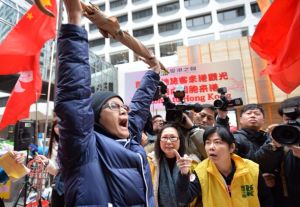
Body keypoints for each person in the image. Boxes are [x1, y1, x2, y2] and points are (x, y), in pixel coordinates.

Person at [55, 0, 160, 206]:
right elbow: (74, 96)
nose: (123, 110)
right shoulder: (85, 147)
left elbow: (139, 106)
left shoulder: (131, 140)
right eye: (113, 106)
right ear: (95, 116)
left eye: (123, 107)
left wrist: (154, 71)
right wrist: (75, 20)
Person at [176, 126, 273, 207]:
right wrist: (184, 174)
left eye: (217, 142)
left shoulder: (252, 168)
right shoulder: (201, 171)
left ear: (231, 147)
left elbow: (266, 200)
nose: (211, 147)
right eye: (208, 143)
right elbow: (183, 199)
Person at [147, 124, 199, 207]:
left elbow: (190, 197)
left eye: (172, 137)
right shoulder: (149, 162)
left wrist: (184, 174)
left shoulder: (192, 163)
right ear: (159, 141)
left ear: (180, 140)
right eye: (164, 138)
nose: (168, 141)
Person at [36, 120, 64, 207]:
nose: (58, 128)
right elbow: (55, 171)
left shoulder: (75, 143)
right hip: (58, 187)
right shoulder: (54, 144)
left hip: (73, 187)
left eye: (61, 125)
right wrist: (47, 162)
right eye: (56, 126)